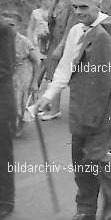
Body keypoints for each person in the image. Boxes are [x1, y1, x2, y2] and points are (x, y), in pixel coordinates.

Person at [35, 0, 111, 220]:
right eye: (76, 7)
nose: (79, 12)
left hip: (108, 106)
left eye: (85, 7)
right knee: (80, 160)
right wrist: (49, 95)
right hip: (82, 104)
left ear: (98, 6)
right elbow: (66, 65)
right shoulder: (75, 31)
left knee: (95, 156)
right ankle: (85, 209)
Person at [40, 0, 76, 121]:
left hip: (64, 42)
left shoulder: (71, 2)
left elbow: (70, 27)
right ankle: (50, 106)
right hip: (54, 39)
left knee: (57, 75)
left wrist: (61, 46)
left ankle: (55, 109)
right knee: (51, 73)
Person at [1, 12, 41, 138]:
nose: (8, 28)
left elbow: (36, 61)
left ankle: (18, 127)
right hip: (8, 74)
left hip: (22, 73)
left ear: (18, 26)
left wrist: (34, 82)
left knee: (20, 102)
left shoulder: (24, 41)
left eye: (12, 25)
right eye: (5, 25)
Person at [0, 20, 16, 219]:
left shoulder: (4, 30)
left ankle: (5, 200)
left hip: (1, 103)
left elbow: (5, 68)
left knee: (2, 155)